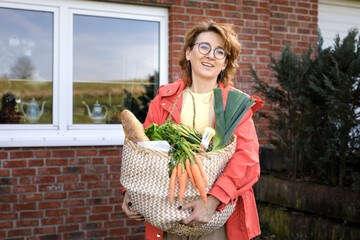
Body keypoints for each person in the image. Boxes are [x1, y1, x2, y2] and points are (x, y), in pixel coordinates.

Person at [122, 20, 264, 240]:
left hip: (217, 218)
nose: (211, 56)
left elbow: (248, 160)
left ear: (225, 63)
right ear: (189, 53)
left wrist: (213, 201)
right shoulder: (164, 98)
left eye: (220, 52)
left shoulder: (235, 104)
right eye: (204, 47)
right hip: (169, 212)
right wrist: (130, 192)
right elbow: (141, 150)